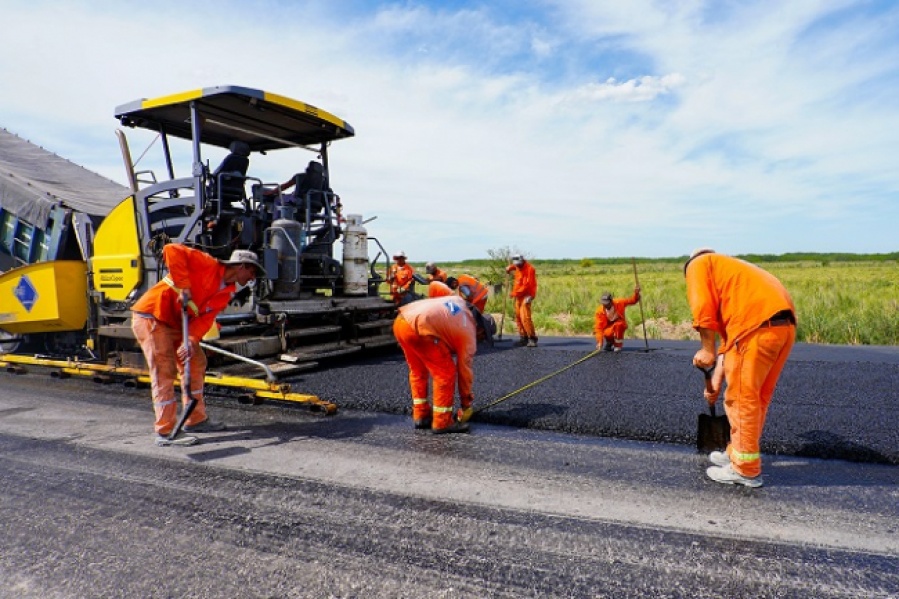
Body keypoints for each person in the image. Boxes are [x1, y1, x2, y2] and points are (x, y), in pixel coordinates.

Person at [131, 244, 264, 447]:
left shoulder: (226, 292)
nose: (252, 278)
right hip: (153, 316)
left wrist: (191, 340)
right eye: (252, 272)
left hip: (176, 323)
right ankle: (166, 431)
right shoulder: (206, 263)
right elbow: (171, 250)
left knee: (195, 361)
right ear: (242, 266)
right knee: (163, 371)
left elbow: (204, 319)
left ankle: (194, 419)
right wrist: (184, 287)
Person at [684, 248, 796, 488]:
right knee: (756, 398)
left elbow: (702, 308)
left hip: (755, 329)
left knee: (742, 399)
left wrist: (706, 350)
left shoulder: (698, 264)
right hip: (781, 328)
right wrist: (715, 380)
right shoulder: (735, 274)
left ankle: (745, 470)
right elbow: (728, 343)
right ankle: (738, 451)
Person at [393, 295, 478, 434]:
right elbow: (464, 372)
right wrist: (466, 404)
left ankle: (421, 415)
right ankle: (442, 422)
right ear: (480, 329)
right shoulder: (469, 333)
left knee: (418, 371)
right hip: (421, 326)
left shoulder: (458, 303)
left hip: (401, 322)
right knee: (445, 373)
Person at [593, 287, 641, 352]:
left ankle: (617, 346)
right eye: (604, 304)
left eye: (607, 303)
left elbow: (632, 301)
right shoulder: (599, 311)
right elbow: (598, 328)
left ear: (611, 301)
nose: (605, 305)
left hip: (619, 324)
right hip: (609, 327)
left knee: (618, 325)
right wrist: (600, 342)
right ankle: (610, 342)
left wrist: (636, 293)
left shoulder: (619, 302)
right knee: (607, 333)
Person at [506, 254, 538, 347]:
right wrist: (509, 268)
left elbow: (526, 286)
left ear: (522, 261)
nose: (517, 266)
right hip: (518, 296)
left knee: (525, 317)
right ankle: (523, 338)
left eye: (518, 265)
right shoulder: (517, 266)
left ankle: (532, 338)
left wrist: (514, 293)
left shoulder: (530, 269)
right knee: (518, 317)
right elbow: (514, 266)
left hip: (527, 295)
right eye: (516, 265)